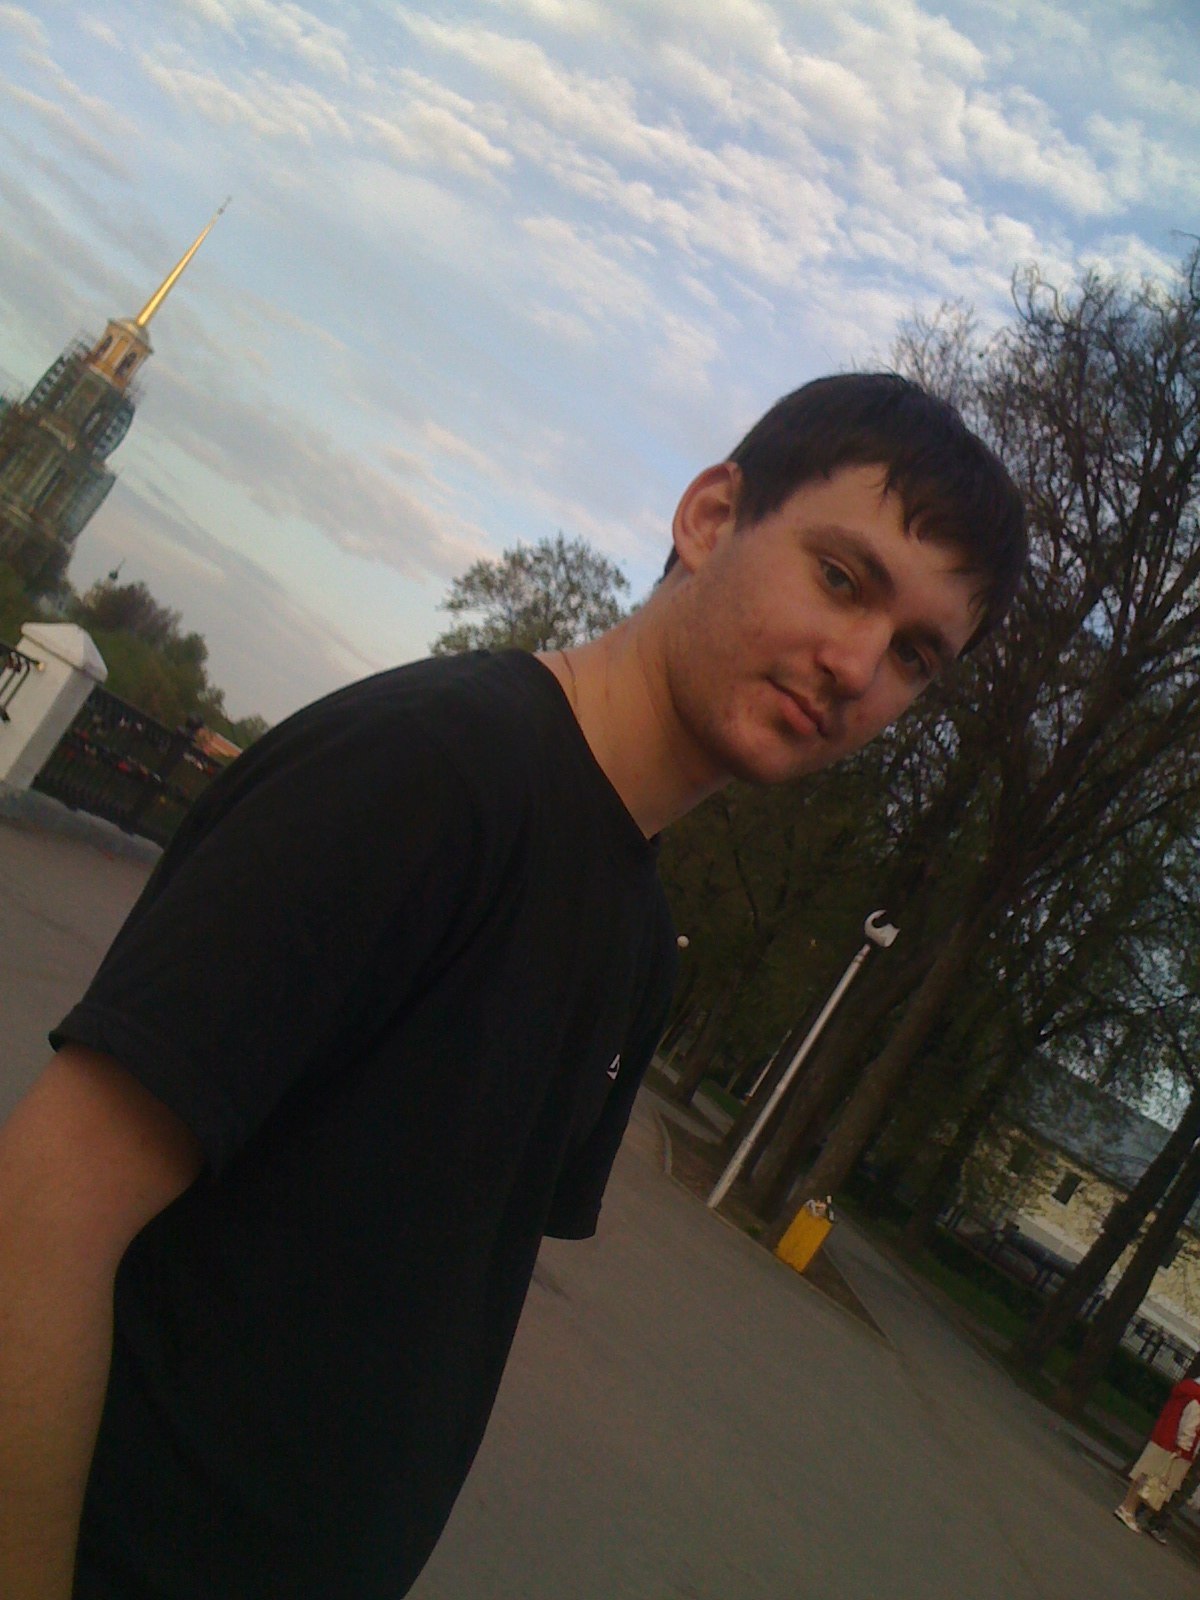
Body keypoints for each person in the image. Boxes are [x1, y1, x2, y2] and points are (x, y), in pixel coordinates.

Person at [0, 373, 1027, 1600]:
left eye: (915, 654)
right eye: (843, 578)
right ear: (711, 518)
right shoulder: (428, 774)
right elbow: (40, 1223)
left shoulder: (638, 945)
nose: (857, 666)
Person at [1113, 1373, 1200, 1534]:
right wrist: (1184, 1448)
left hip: (1162, 1438)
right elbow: (1189, 1427)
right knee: (1151, 1480)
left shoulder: (1187, 1391)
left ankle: (1126, 1507)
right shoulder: (1197, 1398)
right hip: (1173, 1448)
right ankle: (1128, 1510)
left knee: (1143, 1475)